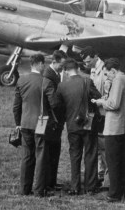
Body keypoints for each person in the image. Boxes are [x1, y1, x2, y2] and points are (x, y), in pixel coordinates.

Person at [52, 59, 100, 195]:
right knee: (90, 154)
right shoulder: (87, 81)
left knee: (75, 155)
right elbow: (98, 97)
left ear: (66, 71)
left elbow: (57, 105)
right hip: (88, 124)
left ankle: (75, 186)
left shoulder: (62, 86)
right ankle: (90, 187)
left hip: (72, 124)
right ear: (78, 69)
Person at [92, 58, 125, 203]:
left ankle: (114, 193)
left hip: (114, 126)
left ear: (113, 71)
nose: (106, 77)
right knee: (122, 160)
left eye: (107, 74)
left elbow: (113, 104)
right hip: (124, 124)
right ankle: (124, 192)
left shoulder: (118, 80)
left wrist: (100, 102)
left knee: (113, 160)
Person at [13, 53, 54, 196]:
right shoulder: (46, 82)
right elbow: (54, 103)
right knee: (41, 156)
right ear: (40, 64)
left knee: (27, 156)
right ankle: (39, 189)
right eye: (44, 64)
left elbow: (16, 106)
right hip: (41, 122)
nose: (45, 67)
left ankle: (24, 188)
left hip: (25, 122)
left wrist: (18, 123)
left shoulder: (21, 80)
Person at [81, 48, 108, 189]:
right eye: (84, 62)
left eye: (88, 61)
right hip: (95, 112)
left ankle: (106, 177)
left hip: (103, 112)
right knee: (96, 146)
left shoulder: (104, 70)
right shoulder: (93, 69)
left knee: (103, 146)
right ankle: (100, 173)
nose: (86, 64)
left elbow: (106, 93)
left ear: (96, 56)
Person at [42, 52, 66, 191]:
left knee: (54, 152)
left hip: (55, 121)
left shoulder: (54, 74)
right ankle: (48, 182)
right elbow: (54, 103)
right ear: (55, 61)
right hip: (52, 121)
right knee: (50, 152)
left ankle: (52, 181)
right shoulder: (49, 77)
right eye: (61, 65)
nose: (62, 68)